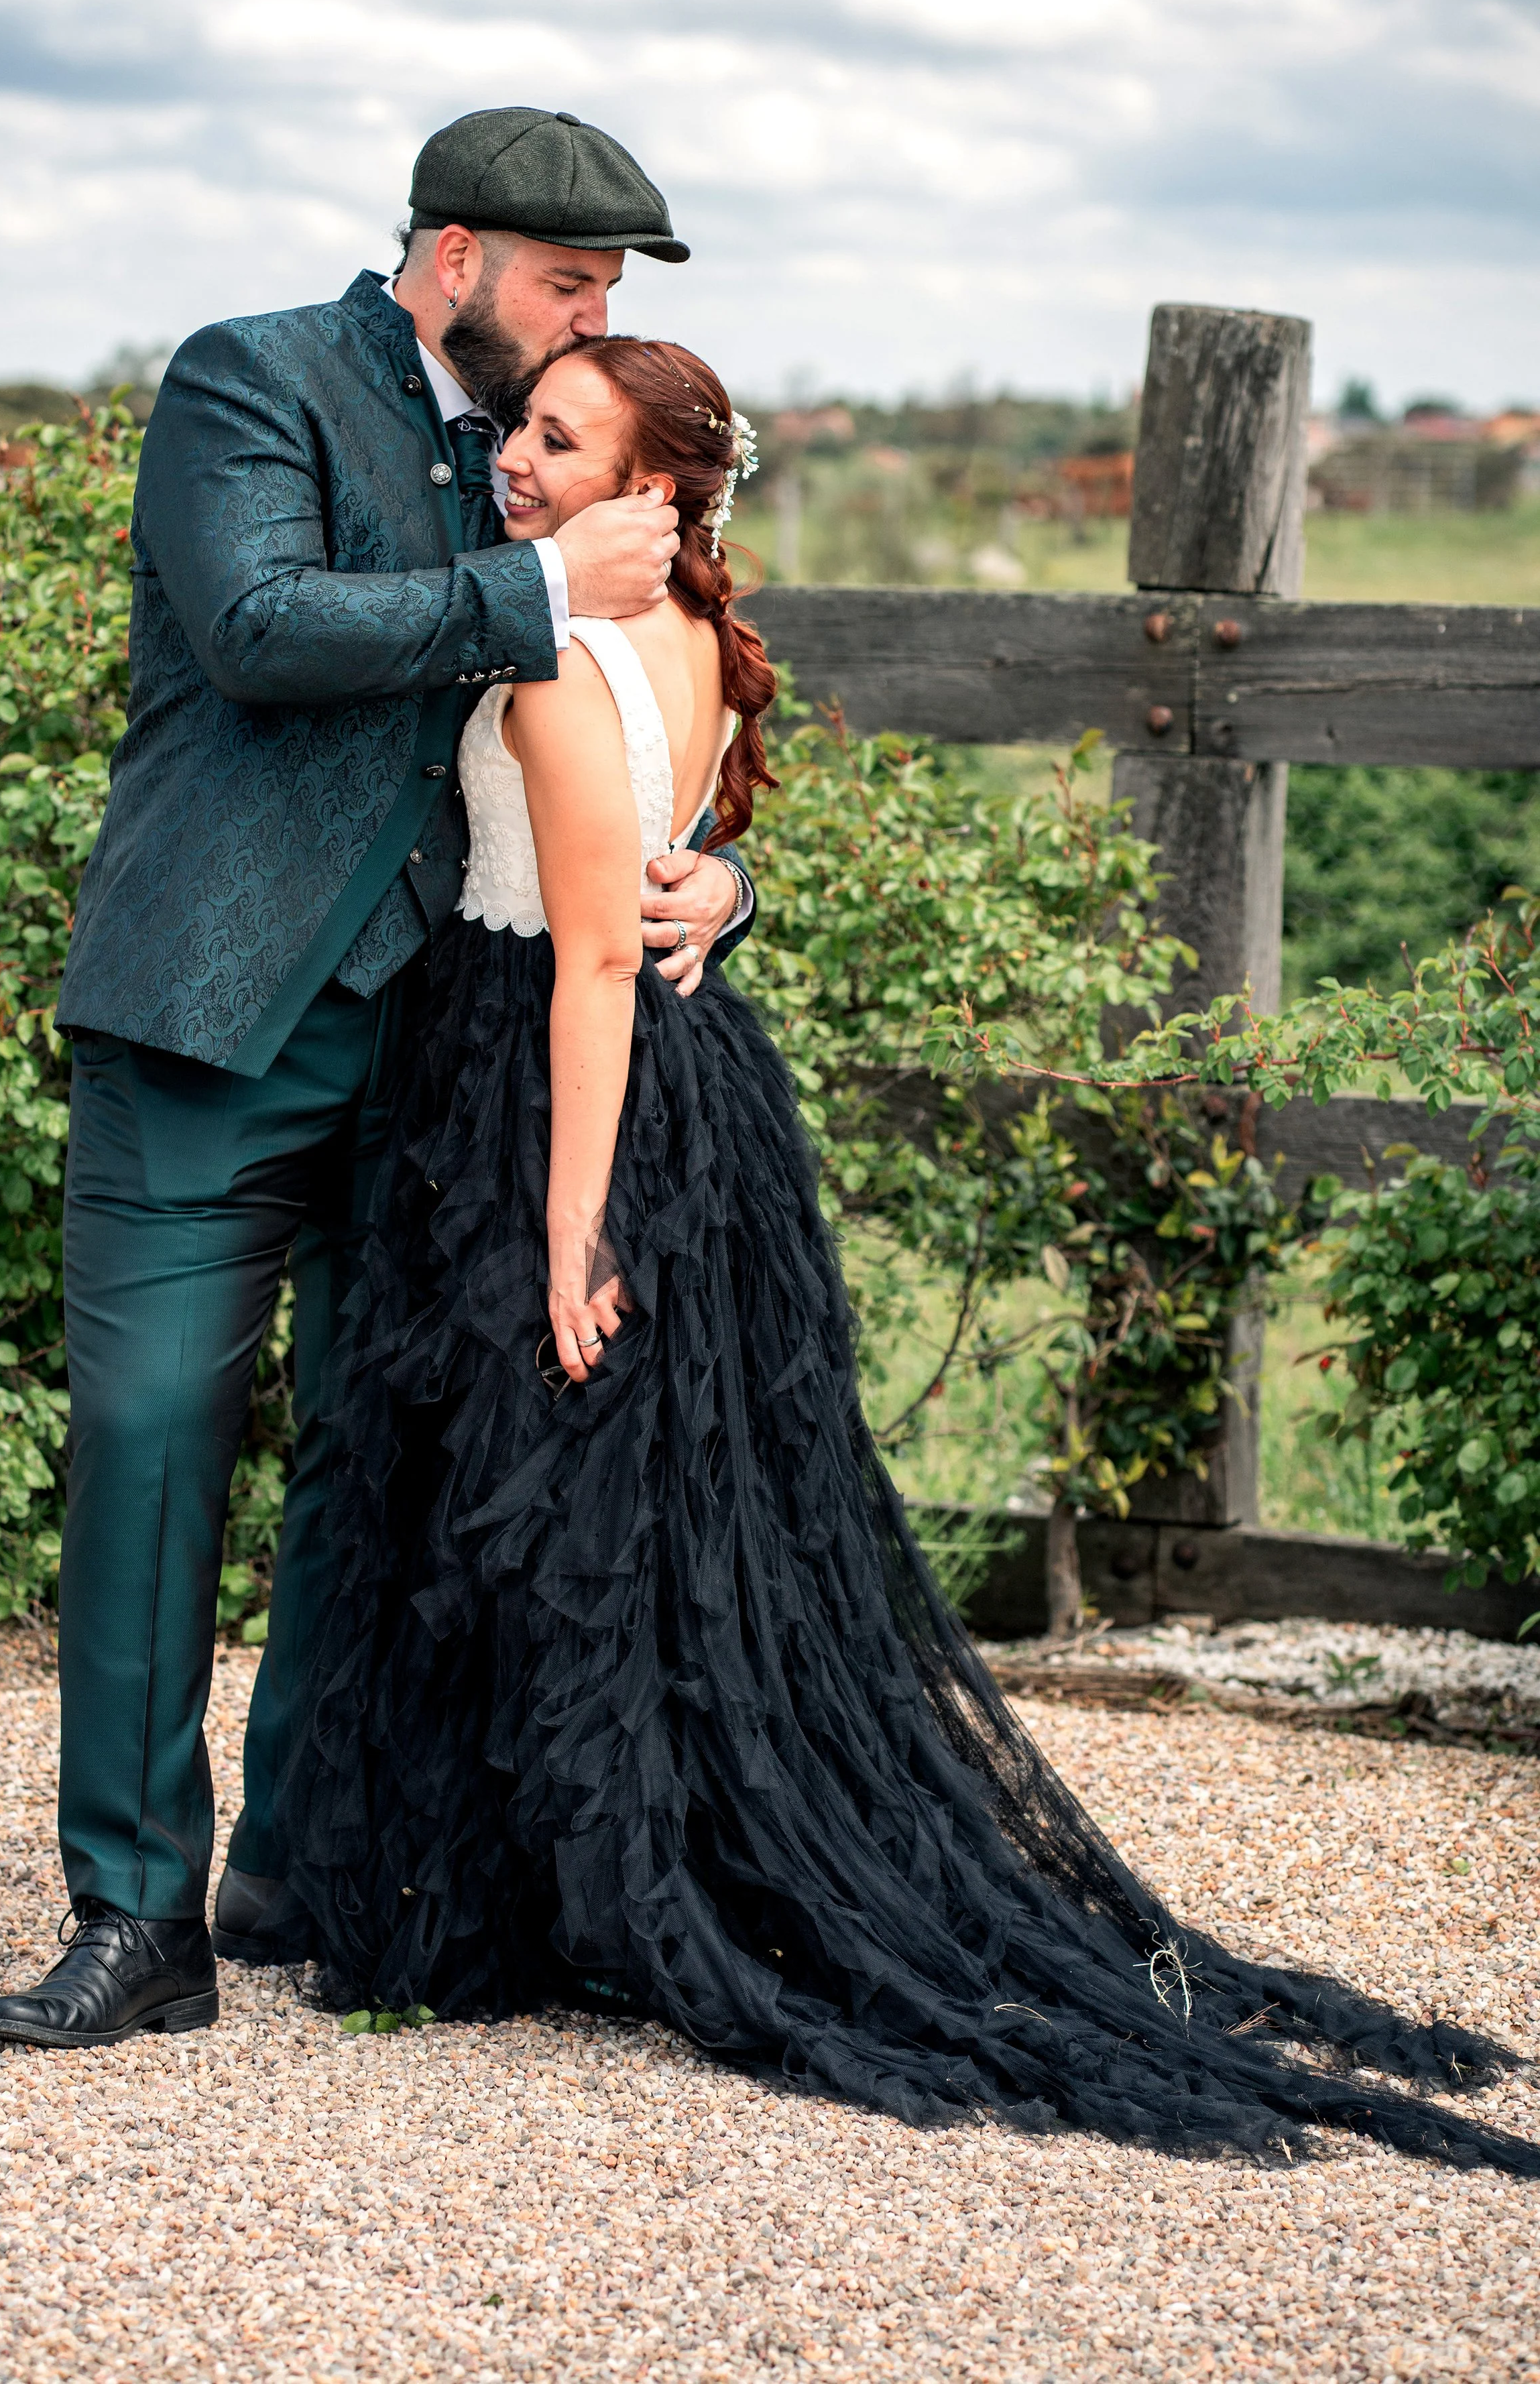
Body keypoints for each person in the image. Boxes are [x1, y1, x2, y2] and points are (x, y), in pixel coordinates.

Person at [269, 335, 1539, 2172]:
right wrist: (718, 887)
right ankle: (569, 1871)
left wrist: (566, 1231)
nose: (518, 462)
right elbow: (670, 853)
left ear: (658, 491)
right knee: (625, 1498)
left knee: (542, 1490)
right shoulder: (693, 636)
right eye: (523, 431)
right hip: (674, 1092)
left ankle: (561, 1893)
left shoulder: (554, 663)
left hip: (554, 1084)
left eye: (559, 441)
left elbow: (600, 957)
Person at [0, 109, 752, 2051]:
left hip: (442, 1058)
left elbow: (652, 705)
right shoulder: (253, 378)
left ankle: (296, 1860)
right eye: (571, 279)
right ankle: (136, 1910)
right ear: (458, 253)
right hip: (214, 1024)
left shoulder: (548, 444)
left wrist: (723, 871)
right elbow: (255, 628)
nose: (586, 316)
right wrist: (537, 585)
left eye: (606, 296)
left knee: (369, 1457)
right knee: (156, 1440)